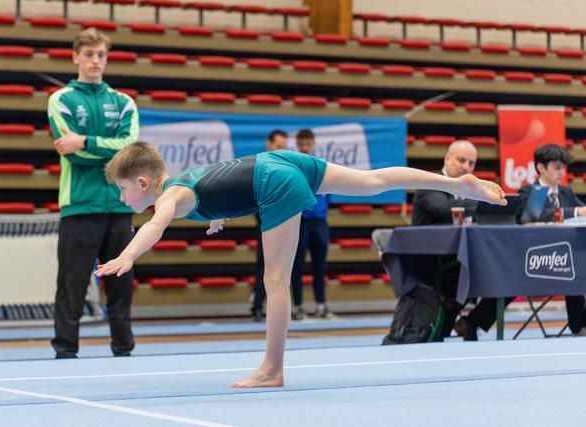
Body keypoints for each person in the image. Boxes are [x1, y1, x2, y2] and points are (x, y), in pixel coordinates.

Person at [96, 141, 506, 387]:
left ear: (144, 183)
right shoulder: (182, 182)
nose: (121, 197)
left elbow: (155, 226)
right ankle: (455, 184)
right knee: (373, 180)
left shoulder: (169, 199)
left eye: (122, 189)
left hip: (273, 181)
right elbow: (217, 184)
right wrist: (218, 214)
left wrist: (128, 254)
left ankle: (272, 368)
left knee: (275, 280)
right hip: (281, 160)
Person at [47, 28, 139, 358]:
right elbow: (69, 153)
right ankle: (65, 352)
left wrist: (85, 140)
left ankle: (124, 349)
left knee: (121, 284)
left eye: (101, 54)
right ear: (76, 57)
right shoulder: (61, 100)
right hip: (80, 207)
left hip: (119, 204)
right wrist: (102, 149)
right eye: (89, 54)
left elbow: (130, 152)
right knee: (71, 285)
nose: (95, 61)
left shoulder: (124, 102)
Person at [455, 143, 586, 339]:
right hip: (533, 257)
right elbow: (534, 215)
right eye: (557, 167)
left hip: (565, 257)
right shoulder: (530, 190)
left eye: (563, 167)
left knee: (578, 270)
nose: (562, 172)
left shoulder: (566, 192)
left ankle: (579, 326)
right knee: (512, 278)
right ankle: (472, 322)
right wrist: (576, 211)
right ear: (541, 168)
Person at [411, 140, 478, 338]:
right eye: (461, 160)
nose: (466, 167)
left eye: (472, 163)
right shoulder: (429, 182)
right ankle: (440, 332)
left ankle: (472, 322)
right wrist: (482, 205)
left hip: (459, 257)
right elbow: (443, 210)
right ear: (447, 158)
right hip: (430, 261)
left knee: (499, 273)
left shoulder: (471, 188)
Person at [290, 129, 331, 320]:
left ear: (313, 144)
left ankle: (321, 305)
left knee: (320, 266)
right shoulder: (294, 167)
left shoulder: (321, 166)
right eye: (302, 144)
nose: (306, 147)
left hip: (320, 223)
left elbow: (328, 193)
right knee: (297, 266)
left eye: (308, 144)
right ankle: (298, 307)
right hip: (301, 223)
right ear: (298, 145)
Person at [251, 129, 288, 322]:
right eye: (278, 146)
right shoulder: (259, 166)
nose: (281, 150)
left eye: (284, 147)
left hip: (284, 227)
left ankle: (282, 312)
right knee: (264, 268)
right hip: (266, 225)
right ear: (269, 144)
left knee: (284, 272)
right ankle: (257, 306)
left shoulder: (285, 169)